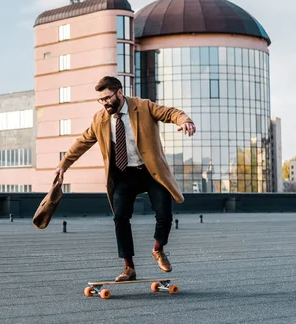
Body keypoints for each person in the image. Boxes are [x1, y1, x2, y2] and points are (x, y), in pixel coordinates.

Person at [54, 76, 195, 282]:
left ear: (119, 93)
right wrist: (63, 165)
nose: (105, 103)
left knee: (164, 214)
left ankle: (158, 249)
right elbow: (82, 142)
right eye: (100, 100)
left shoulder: (143, 107)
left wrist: (185, 121)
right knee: (120, 218)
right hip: (124, 174)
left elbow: (170, 113)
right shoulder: (100, 119)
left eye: (107, 98)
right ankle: (128, 267)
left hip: (150, 171)